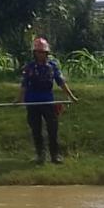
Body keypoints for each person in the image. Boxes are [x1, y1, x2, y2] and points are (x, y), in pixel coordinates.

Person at [15, 37, 79, 165]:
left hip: (48, 102)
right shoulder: (29, 67)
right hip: (32, 102)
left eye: (43, 52)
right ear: (34, 53)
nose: (41, 55)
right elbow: (24, 85)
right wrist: (18, 99)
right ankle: (40, 155)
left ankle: (55, 155)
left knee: (53, 128)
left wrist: (71, 96)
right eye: (38, 52)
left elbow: (61, 82)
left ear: (47, 53)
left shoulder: (52, 66)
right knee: (36, 129)